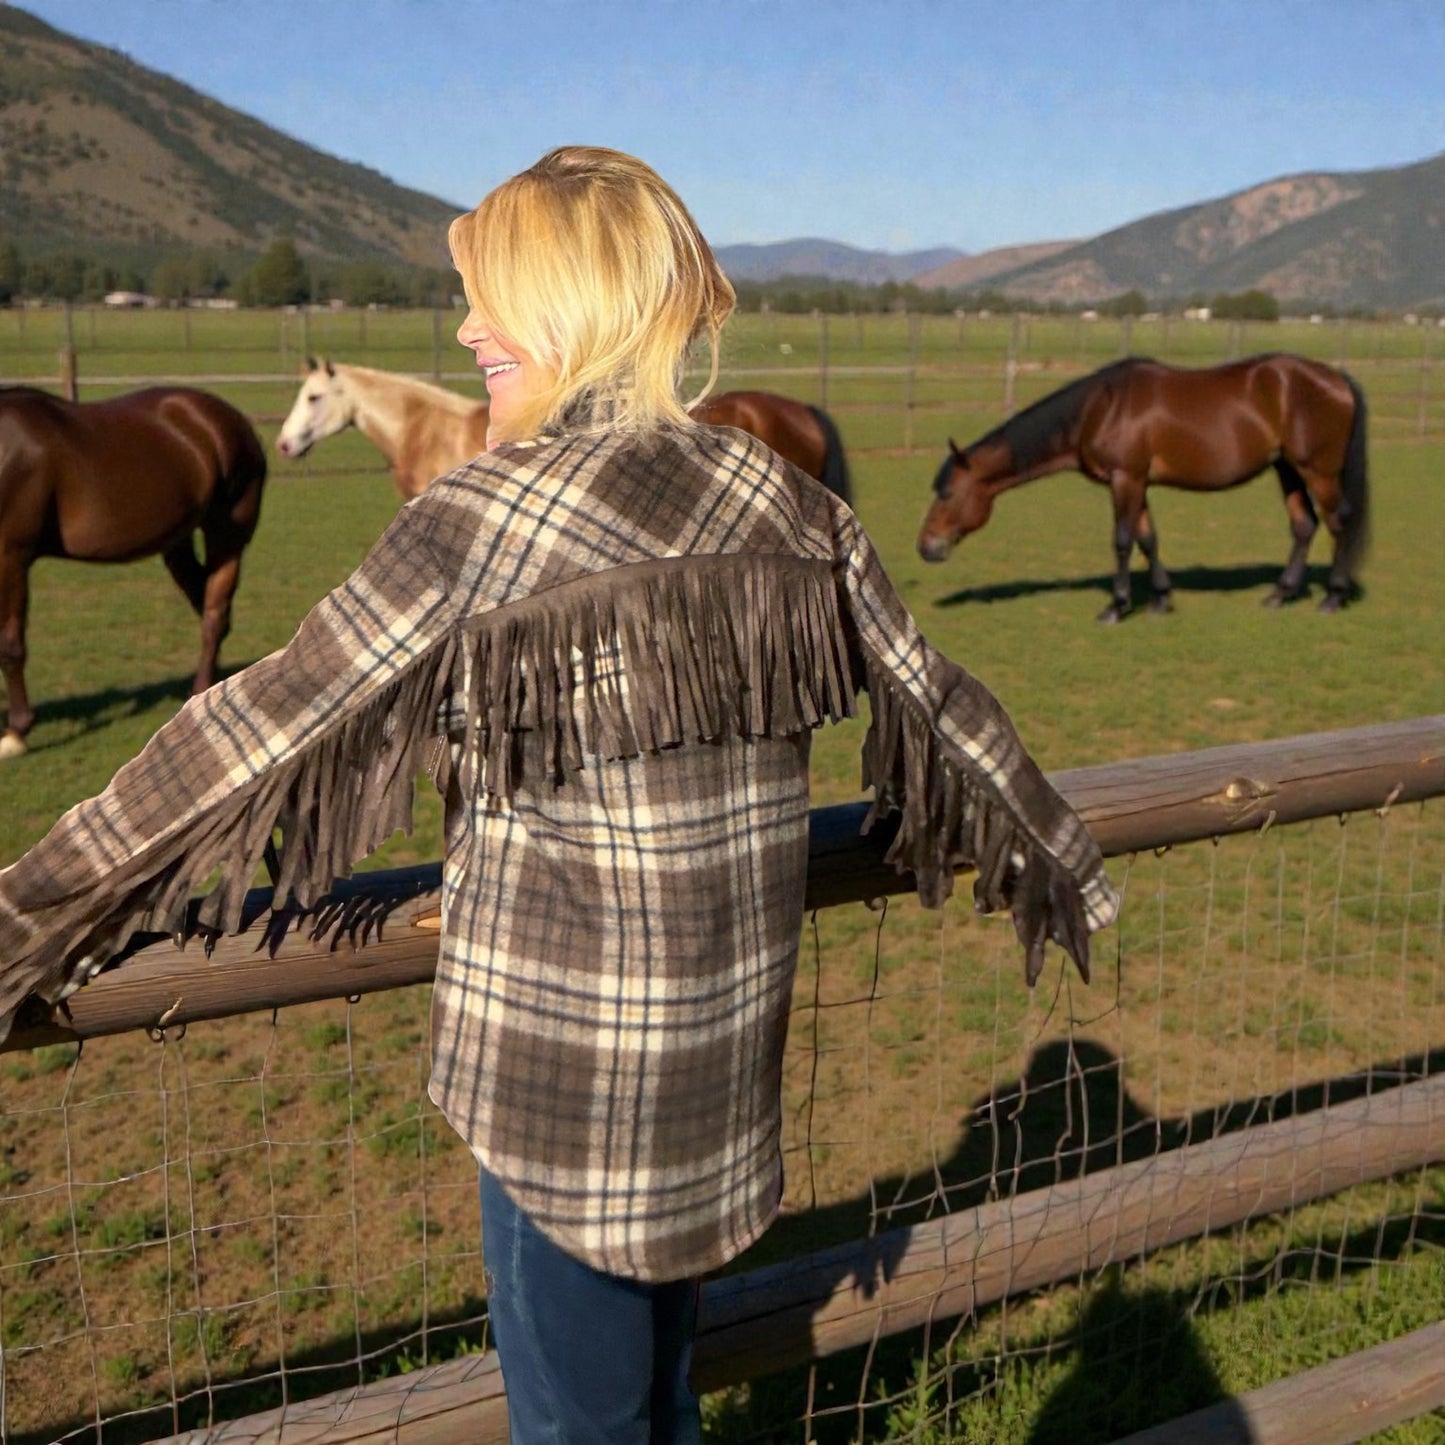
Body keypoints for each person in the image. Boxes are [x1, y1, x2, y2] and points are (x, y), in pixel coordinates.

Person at [0, 147, 1118, 1442]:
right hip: (715, 1071)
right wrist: (1061, 862)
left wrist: (28, 916)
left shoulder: (484, 516)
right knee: (663, 1410)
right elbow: (944, 707)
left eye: (493, 296)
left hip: (555, 1098)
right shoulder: (783, 499)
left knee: (581, 1429)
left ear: (579, 308)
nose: (465, 326)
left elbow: (244, 738)